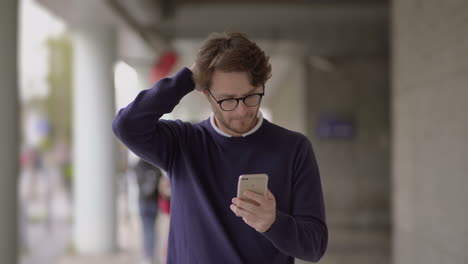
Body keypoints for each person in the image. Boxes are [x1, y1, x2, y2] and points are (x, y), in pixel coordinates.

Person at [113, 32, 328, 263]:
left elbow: (314, 247)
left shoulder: (294, 148)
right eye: (228, 100)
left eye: (250, 96)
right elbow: (127, 125)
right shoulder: (182, 143)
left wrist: (273, 223)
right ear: (206, 94)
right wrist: (187, 79)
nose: (242, 110)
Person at [134, 158, 163, 264]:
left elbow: (137, 181)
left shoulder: (139, 165)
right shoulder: (155, 165)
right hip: (153, 202)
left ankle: (148, 256)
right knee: (152, 229)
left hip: (143, 201)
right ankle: (151, 256)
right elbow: (160, 182)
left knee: (147, 229)